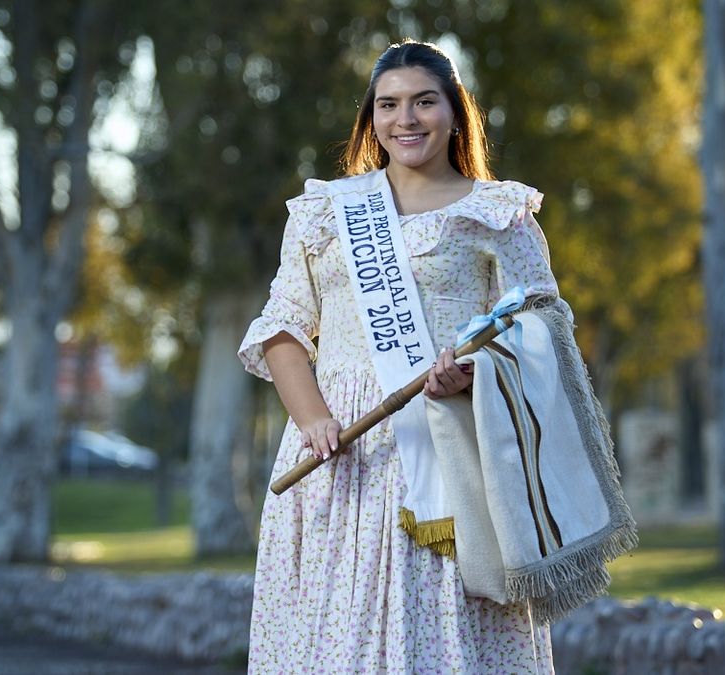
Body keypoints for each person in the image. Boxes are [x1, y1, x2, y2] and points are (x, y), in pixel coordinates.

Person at [238, 39, 559, 672]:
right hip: (340, 464)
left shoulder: (496, 215)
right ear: (371, 118)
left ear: (454, 111)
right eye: (389, 105)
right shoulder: (326, 213)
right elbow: (281, 332)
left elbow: (542, 337)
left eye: (423, 102)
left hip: (450, 455)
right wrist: (313, 421)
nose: (405, 120)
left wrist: (473, 376)